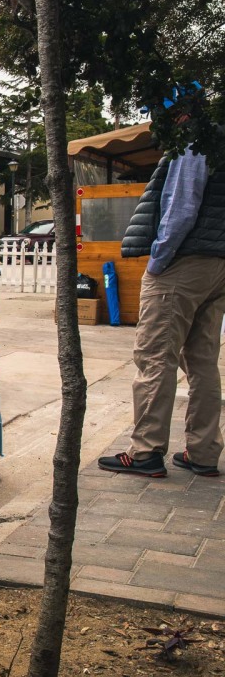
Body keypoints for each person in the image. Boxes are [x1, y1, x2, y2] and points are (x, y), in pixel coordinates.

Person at [99, 144, 225, 478]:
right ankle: (204, 452)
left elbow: (181, 206)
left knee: (155, 356)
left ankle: (145, 453)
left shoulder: (196, 139)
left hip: (183, 262)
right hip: (218, 263)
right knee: (202, 361)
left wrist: (158, 260)